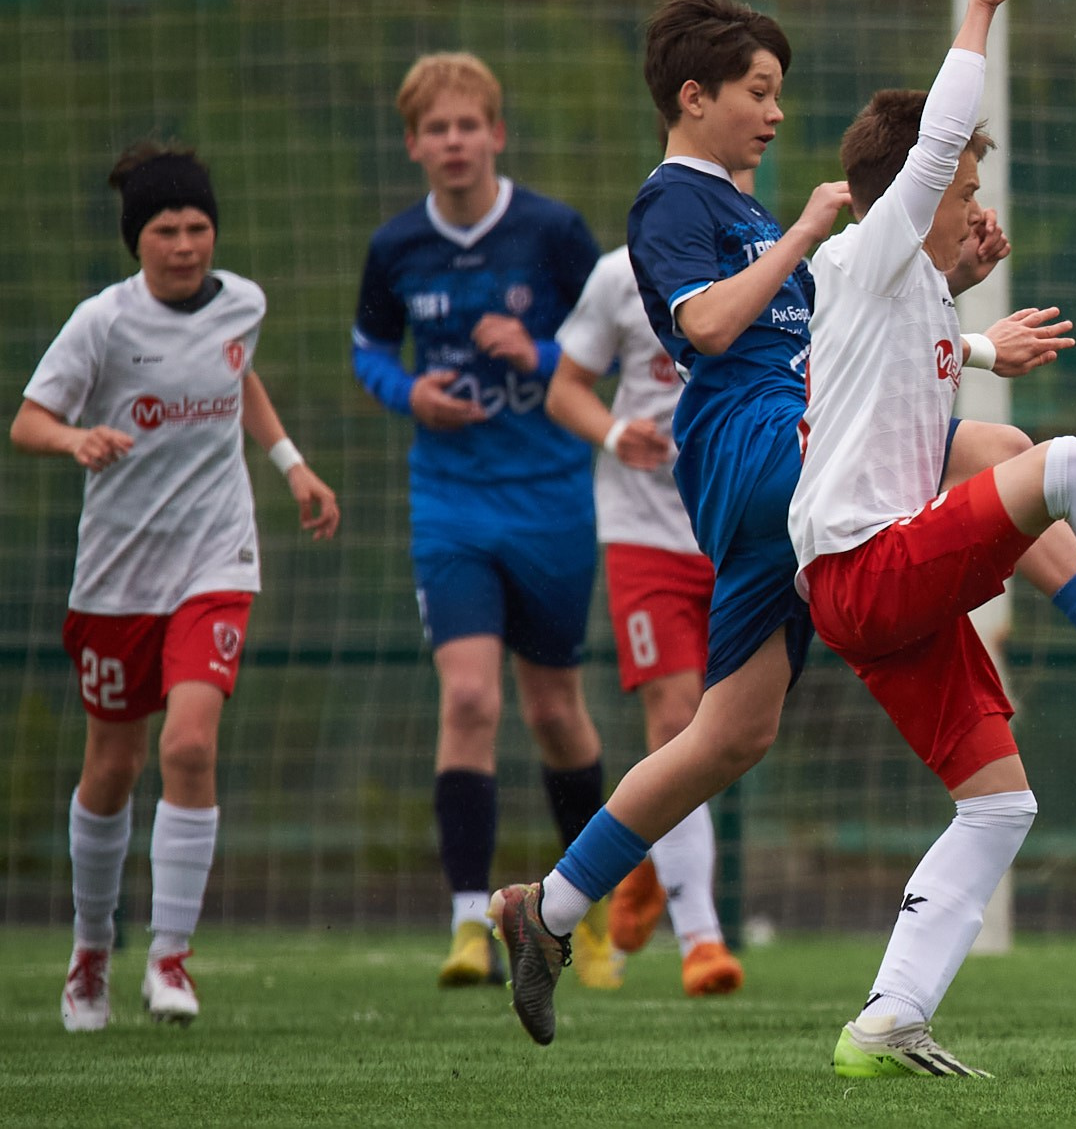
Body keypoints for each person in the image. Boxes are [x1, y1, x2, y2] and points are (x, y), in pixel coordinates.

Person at [494, 0, 1076, 1049]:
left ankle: (548, 910)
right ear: (693, 98)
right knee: (996, 448)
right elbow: (705, 331)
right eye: (756, 87)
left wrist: (963, 317)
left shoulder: (758, 214)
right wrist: (803, 234)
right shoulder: (676, 200)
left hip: (790, 489)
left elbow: (858, 357)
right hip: (754, 454)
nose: (775, 109)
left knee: (730, 736)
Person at [17, 143, 339, 1030]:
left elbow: (238, 374)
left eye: (199, 227)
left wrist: (292, 466)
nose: (187, 244)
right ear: (137, 239)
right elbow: (27, 420)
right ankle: (90, 955)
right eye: (167, 229)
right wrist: (75, 439)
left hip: (215, 559)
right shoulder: (102, 325)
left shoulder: (244, 303)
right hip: (119, 577)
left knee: (190, 748)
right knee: (112, 767)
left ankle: (171, 958)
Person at [350, 54, 617, 991]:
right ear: (415, 143)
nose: (454, 142)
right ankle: (470, 921)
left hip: (549, 497)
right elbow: (370, 348)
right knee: (468, 698)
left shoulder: (550, 231)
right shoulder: (396, 247)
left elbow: (612, 338)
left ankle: (591, 913)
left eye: (470, 125)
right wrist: (407, 390)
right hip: (451, 503)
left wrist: (540, 351)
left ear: (497, 134)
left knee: (554, 710)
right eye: (438, 129)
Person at [548, 234, 748, 998]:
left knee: (734, 730)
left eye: (772, 102)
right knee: (674, 714)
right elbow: (564, 385)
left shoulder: (769, 262)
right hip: (644, 533)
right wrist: (610, 430)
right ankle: (701, 937)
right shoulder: (616, 275)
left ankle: (643, 858)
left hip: (738, 522)